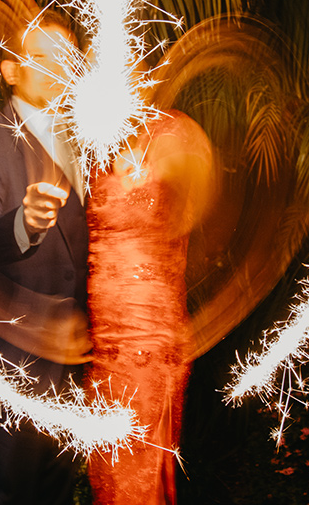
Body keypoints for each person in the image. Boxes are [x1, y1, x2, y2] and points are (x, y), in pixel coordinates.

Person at [0, 10, 91, 505]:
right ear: (11, 70)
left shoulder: (90, 139)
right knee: (10, 492)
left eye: (66, 59)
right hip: (17, 355)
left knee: (57, 490)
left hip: (80, 352)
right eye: (42, 58)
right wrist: (24, 222)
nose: (57, 69)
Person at [85, 110, 215, 505]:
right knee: (109, 474)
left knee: (135, 476)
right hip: (102, 340)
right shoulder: (92, 138)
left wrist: (161, 161)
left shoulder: (169, 132)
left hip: (146, 338)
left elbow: (195, 195)